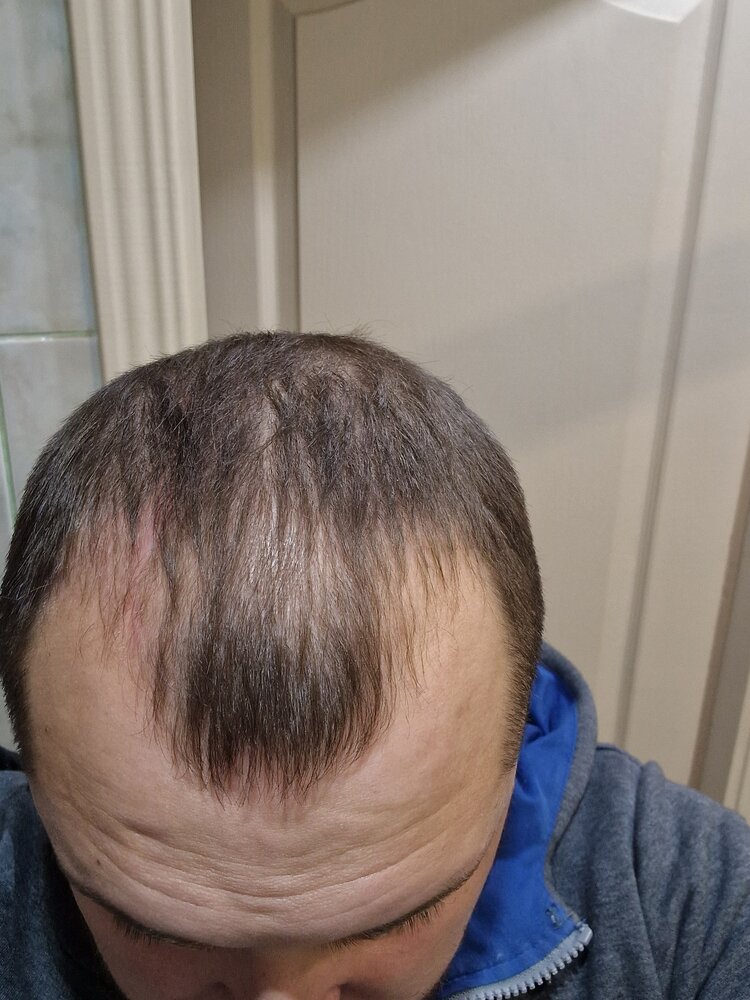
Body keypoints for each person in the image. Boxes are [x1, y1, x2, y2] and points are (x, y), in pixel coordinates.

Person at [0, 331, 748, 1000]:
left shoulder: (700, 913)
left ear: (516, 750)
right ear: (42, 784)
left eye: (398, 920)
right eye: (152, 930)